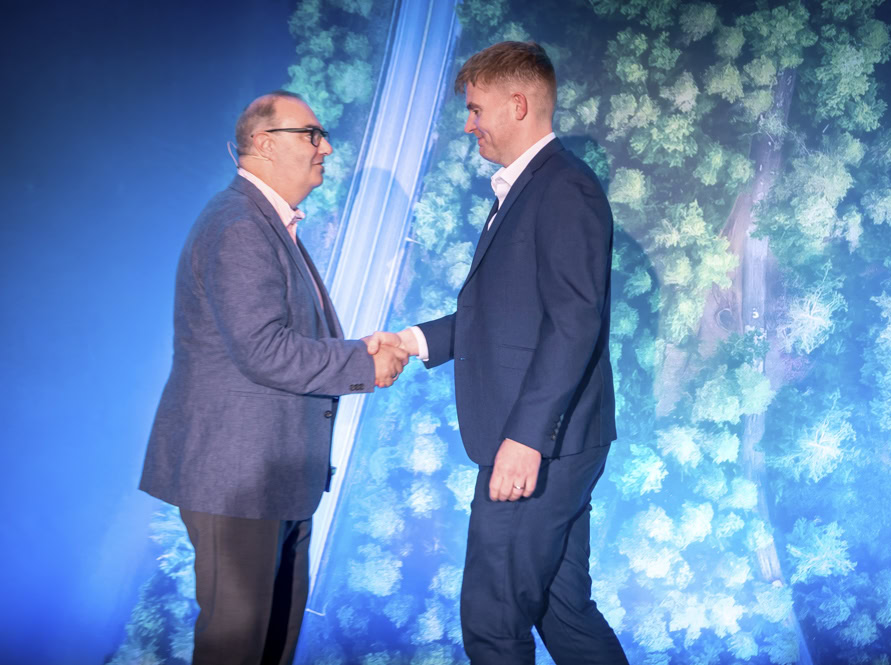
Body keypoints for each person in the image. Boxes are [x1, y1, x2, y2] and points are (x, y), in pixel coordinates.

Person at [373, 42, 628, 664]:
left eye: (475, 109)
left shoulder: (563, 188)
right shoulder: (528, 188)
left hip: (541, 445)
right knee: (563, 611)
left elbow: (574, 322)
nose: (469, 125)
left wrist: (524, 439)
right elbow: (499, 316)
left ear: (517, 105)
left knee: (493, 618)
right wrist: (410, 341)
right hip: (553, 442)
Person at [140, 90, 408, 665]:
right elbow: (263, 350)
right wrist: (363, 362)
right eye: (312, 134)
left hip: (272, 481)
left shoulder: (263, 223)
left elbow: (275, 341)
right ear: (263, 144)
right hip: (238, 482)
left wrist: (357, 351)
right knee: (236, 650)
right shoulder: (239, 225)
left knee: (269, 647)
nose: (325, 147)